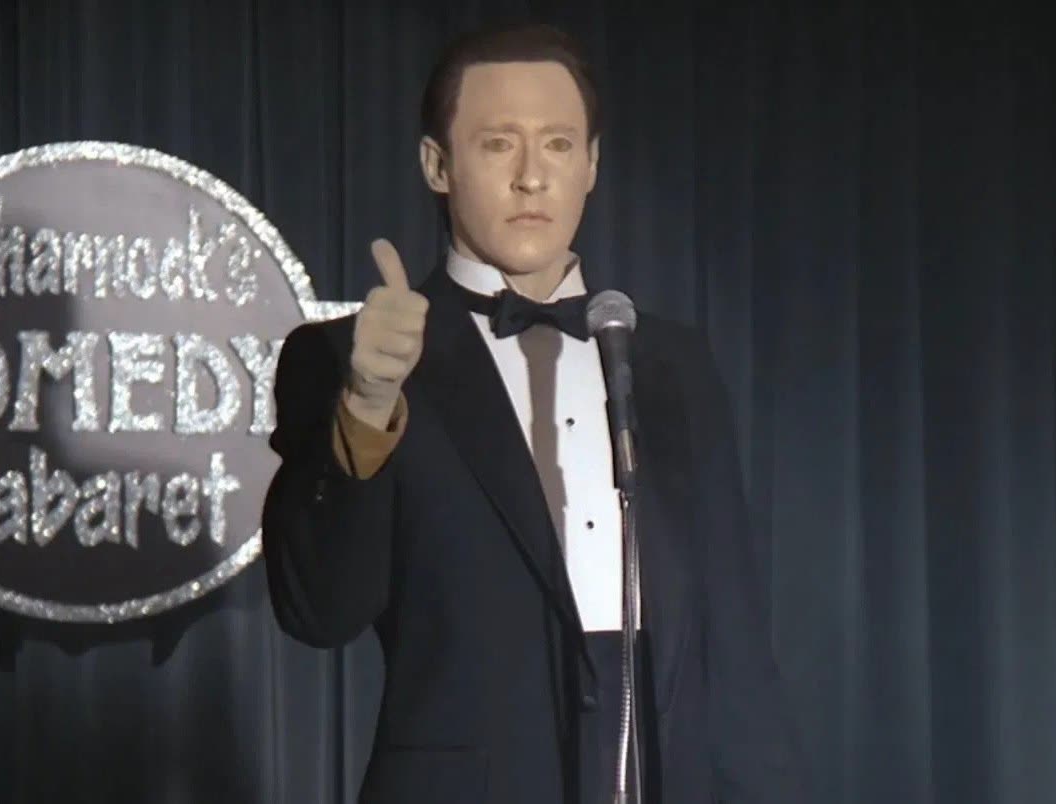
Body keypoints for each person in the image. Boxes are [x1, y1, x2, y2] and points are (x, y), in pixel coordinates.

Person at [262, 22, 808, 804]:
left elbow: (736, 641)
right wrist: (369, 404)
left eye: (557, 145)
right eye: (497, 145)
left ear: (591, 165)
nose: (530, 178)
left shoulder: (674, 362)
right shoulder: (346, 358)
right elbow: (320, 611)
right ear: (437, 165)